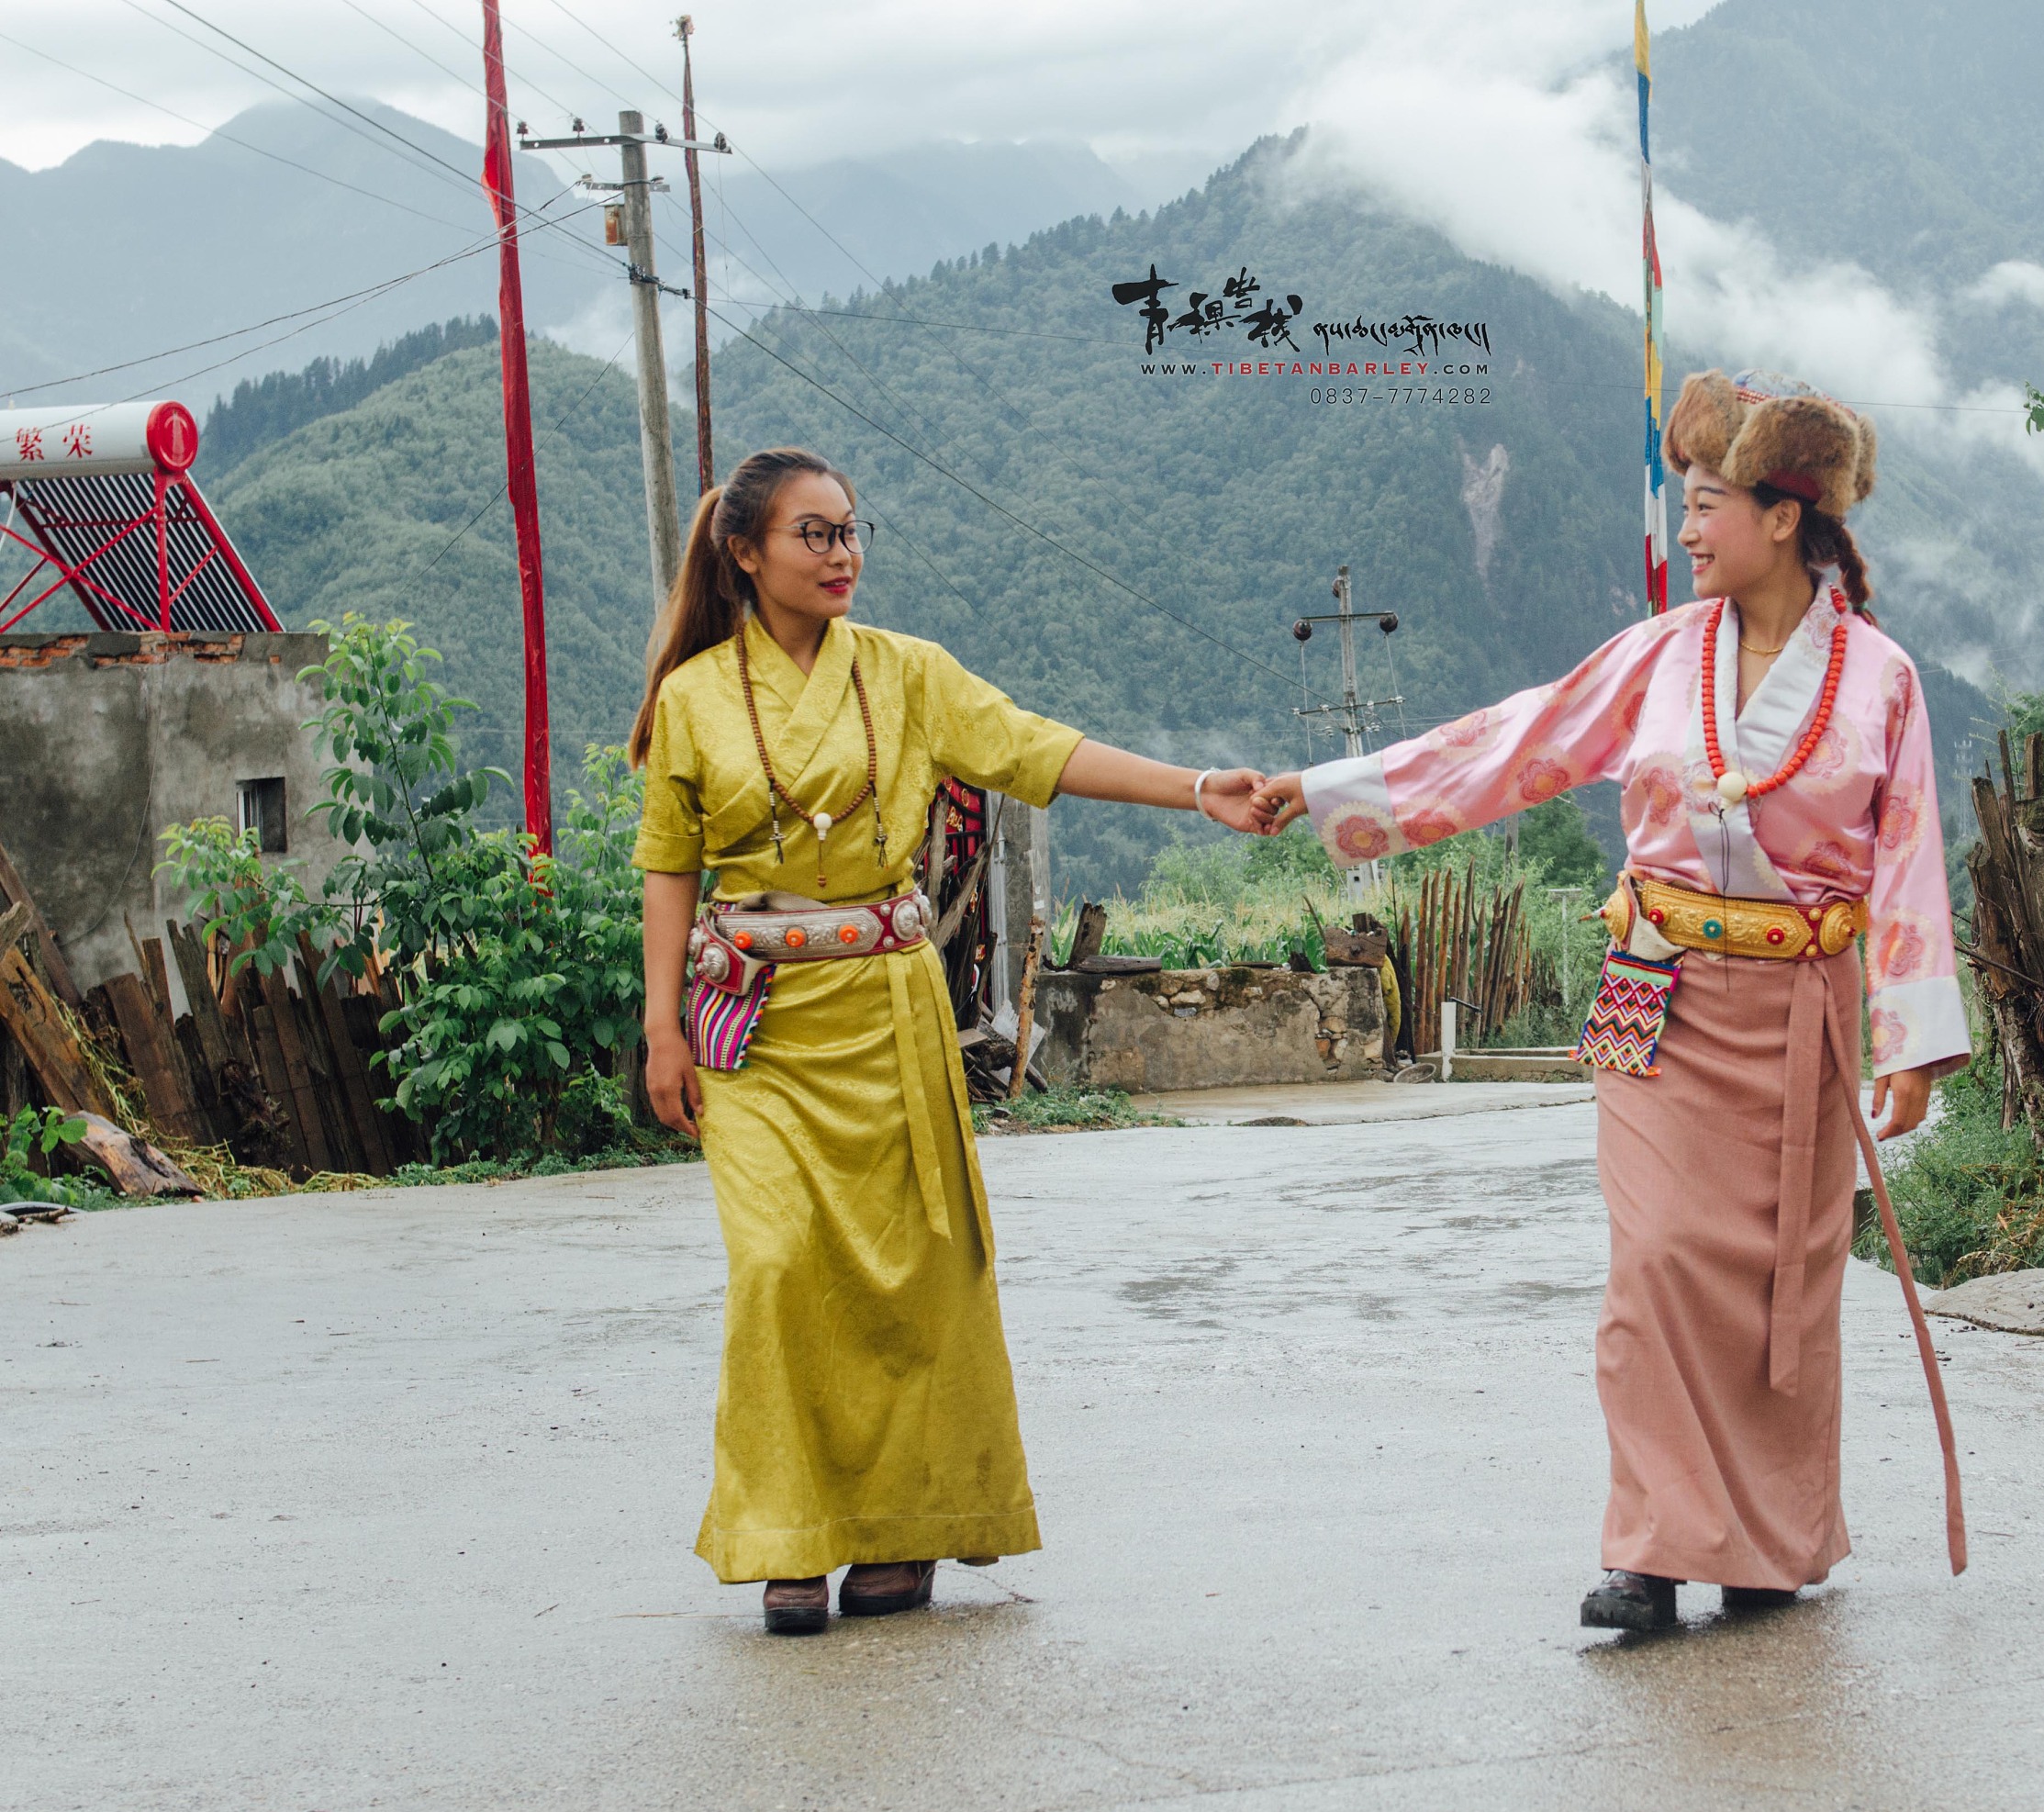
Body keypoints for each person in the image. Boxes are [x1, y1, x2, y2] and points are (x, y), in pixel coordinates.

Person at [1258, 371, 1969, 1628]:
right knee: (1653, 1265)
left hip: (1804, 1002)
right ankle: (1648, 1544)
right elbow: (1510, 743)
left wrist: (1908, 1038)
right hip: (1661, 993)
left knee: (1777, 1289)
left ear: (1784, 516)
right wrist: (1326, 795)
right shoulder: (1657, 658)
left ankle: (1763, 1546)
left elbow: (1908, 856)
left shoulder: (1881, 680)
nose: (1687, 532)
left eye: (1706, 506)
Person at [629, 446, 1275, 1635]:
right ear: (745, 553)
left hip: (885, 1009)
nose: (842, 555)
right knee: (777, 1272)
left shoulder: (910, 675)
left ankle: (904, 1529)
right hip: (751, 1027)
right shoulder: (694, 698)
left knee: (916, 1278)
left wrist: (1197, 789)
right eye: (813, 535)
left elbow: (1041, 752)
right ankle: (787, 1535)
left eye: (851, 531)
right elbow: (671, 863)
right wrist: (659, 1022)